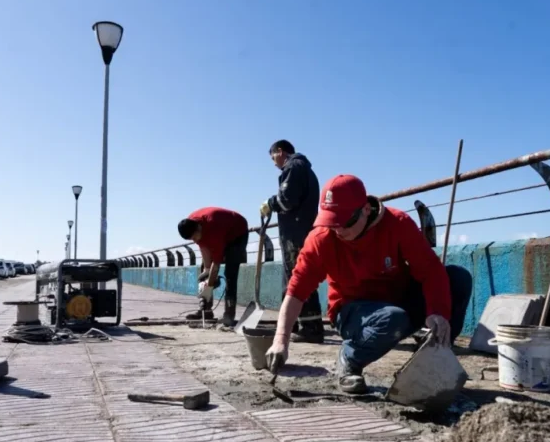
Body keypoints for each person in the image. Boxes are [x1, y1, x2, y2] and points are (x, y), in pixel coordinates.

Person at [264, 174, 473, 394]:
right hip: (352, 310)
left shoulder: (398, 224)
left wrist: (437, 312)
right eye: (332, 221)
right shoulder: (321, 239)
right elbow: (296, 292)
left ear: (365, 209)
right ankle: (349, 359)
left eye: (345, 222)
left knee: (458, 279)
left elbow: (431, 270)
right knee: (393, 319)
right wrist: (280, 341)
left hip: (397, 301)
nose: (339, 230)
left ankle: (432, 357)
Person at [259, 139, 325, 344]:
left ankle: (311, 327)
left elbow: (287, 199)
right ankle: (295, 322)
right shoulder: (303, 169)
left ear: (280, 151)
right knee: (294, 277)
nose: (274, 163)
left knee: (301, 276)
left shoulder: (294, 167)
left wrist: (270, 203)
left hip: (297, 233)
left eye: (273, 157)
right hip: (299, 230)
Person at [177, 207, 249, 327]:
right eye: (192, 239)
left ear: (199, 228)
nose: (194, 240)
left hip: (237, 233)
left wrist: (209, 286)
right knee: (204, 272)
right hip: (219, 231)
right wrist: (206, 273)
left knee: (230, 273)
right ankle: (206, 311)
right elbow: (203, 248)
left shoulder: (214, 230)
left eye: (194, 237)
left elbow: (216, 264)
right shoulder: (191, 225)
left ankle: (229, 314)